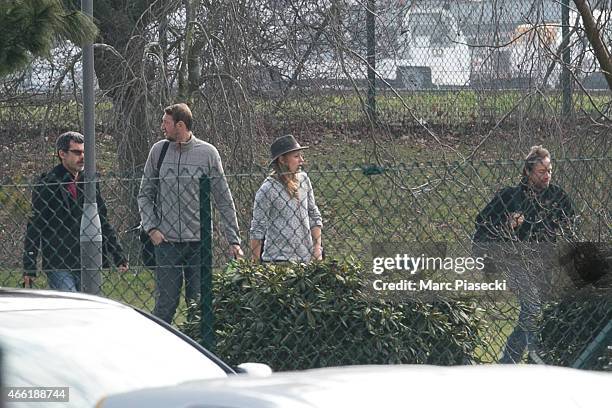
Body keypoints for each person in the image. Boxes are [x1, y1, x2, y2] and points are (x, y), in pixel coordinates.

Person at [138, 103, 243, 324]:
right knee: (165, 305)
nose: (162, 127)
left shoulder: (207, 153)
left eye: (166, 122)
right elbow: (144, 195)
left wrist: (233, 239)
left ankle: (197, 350)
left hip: (199, 244)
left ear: (180, 125)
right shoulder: (159, 151)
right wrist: (152, 228)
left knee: (199, 305)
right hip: (166, 243)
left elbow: (223, 198)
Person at [473, 145, 576, 363]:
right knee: (532, 307)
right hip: (515, 262)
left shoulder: (557, 196)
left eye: (549, 171)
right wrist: (507, 224)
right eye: (541, 172)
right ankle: (531, 359)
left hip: (546, 263)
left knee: (535, 312)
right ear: (527, 172)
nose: (547, 176)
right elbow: (481, 224)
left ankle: (513, 360)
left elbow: (571, 225)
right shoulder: (510, 197)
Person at [23, 132, 128, 291]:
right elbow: (35, 225)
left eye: (84, 152)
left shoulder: (89, 181)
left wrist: (117, 254)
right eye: (77, 152)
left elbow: (102, 220)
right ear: (62, 154)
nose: (82, 157)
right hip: (59, 261)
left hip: (88, 258)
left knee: (89, 307)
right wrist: (29, 266)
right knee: (69, 304)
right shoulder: (48, 184)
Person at [250, 134, 323, 263]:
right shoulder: (268, 189)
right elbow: (257, 228)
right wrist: (254, 266)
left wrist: (317, 248)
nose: (301, 160)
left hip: (306, 259)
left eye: (301, 155)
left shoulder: (304, 180)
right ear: (282, 160)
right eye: (296, 156)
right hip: (278, 260)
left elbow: (314, 214)